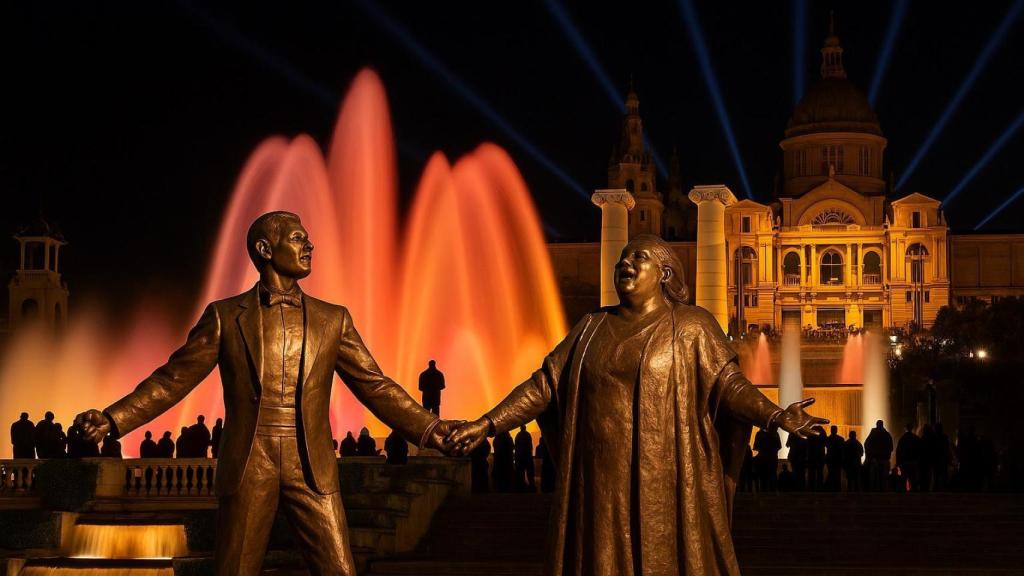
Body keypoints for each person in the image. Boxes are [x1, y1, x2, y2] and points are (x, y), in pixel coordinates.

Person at [75, 211, 457, 576]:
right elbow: (173, 379)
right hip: (248, 461)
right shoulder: (225, 316)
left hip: (312, 464)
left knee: (338, 569)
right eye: (298, 238)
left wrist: (432, 430)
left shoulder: (333, 319)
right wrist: (113, 418)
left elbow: (375, 385)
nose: (311, 245)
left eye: (307, 239)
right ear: (264, 249)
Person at [446, 235, 827, 575]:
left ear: (664, 273)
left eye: (638, 258)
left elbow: (728, 385)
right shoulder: (591, 326)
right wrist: (487, 424)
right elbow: (543, 386)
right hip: (597, 479)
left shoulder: (692, 325)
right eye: (621, 260)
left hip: (665, 479)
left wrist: (776, 415)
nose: (624, 264)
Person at [865, 420, 893, 491]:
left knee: (874, 474)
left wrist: (869, 455)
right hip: (883, 458)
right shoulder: (887, 434)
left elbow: (866, 443)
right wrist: (887, 456)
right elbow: (891, 447)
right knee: (883, 475)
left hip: (875, 458)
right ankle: (882, 488)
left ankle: (874, 488)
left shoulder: (873, 434)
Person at [896, 422, 921, 492]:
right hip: (913, 462)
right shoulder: (916, 438)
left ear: (905, 429)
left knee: (903, 479)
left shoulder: (902, 439)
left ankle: (904, 495)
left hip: (904, 462)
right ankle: (914, 494)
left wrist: (898, 462)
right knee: (913, 479)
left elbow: (898, 451)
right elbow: (920, 450)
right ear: (912, 428)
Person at [514, 424, 536, 492]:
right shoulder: (527, 435)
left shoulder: (518, 435)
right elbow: (530, 446)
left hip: (520, 457)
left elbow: (516, 447)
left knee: (521, 472)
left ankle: (521, 486)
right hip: (527, 456)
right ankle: (531, 486)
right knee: (529, 472)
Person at [807, 425, 826, 491]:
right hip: (820, 456)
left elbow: (807, 443)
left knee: (811, 472)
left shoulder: (810, 435)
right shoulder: (822, 434)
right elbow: (825, 442)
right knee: (820, 472)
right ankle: (819, 486)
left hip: (811, 456)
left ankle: (811, 487)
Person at [825, 425, 845, 491]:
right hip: (838, 459)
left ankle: (830, 486)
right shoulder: (841, 439)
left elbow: (826, 446)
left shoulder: (828, 439)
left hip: (830, 458)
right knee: (837, 473)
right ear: (836, 430)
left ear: (831, 430)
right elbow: (843, 449)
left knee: (831, 472)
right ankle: (837, 487)